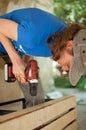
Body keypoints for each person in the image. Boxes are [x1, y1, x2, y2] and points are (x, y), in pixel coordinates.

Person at [0, 7, 86, 86]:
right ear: (69, 45)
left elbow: (31, 46)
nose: (64, 68)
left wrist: (25, 62)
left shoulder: (55, 46)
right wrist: (16, 61)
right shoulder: (33, 34)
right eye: (69, 65)